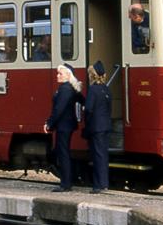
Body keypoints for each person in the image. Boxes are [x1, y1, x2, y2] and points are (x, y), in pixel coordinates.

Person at [43, 63, 83, 192]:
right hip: (67, 125)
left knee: (63, 153)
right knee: (63, 152)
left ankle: (65, 184)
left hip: (64, 126)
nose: (57, 75)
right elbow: (82, 100)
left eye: (60, 73)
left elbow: (59, 109)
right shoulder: (70, 88)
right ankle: (67, 182)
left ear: (67, 75)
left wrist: (49, 123)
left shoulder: (65, 89)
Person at [83, 61, 112, 194]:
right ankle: (104, 183)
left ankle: (98, 185)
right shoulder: (106, 89)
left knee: (97, 155)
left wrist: (87, 123)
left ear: (92, 75)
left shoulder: (93, 90)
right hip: (106, 126)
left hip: (96, 127)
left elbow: (88, 109)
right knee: (103, 155)